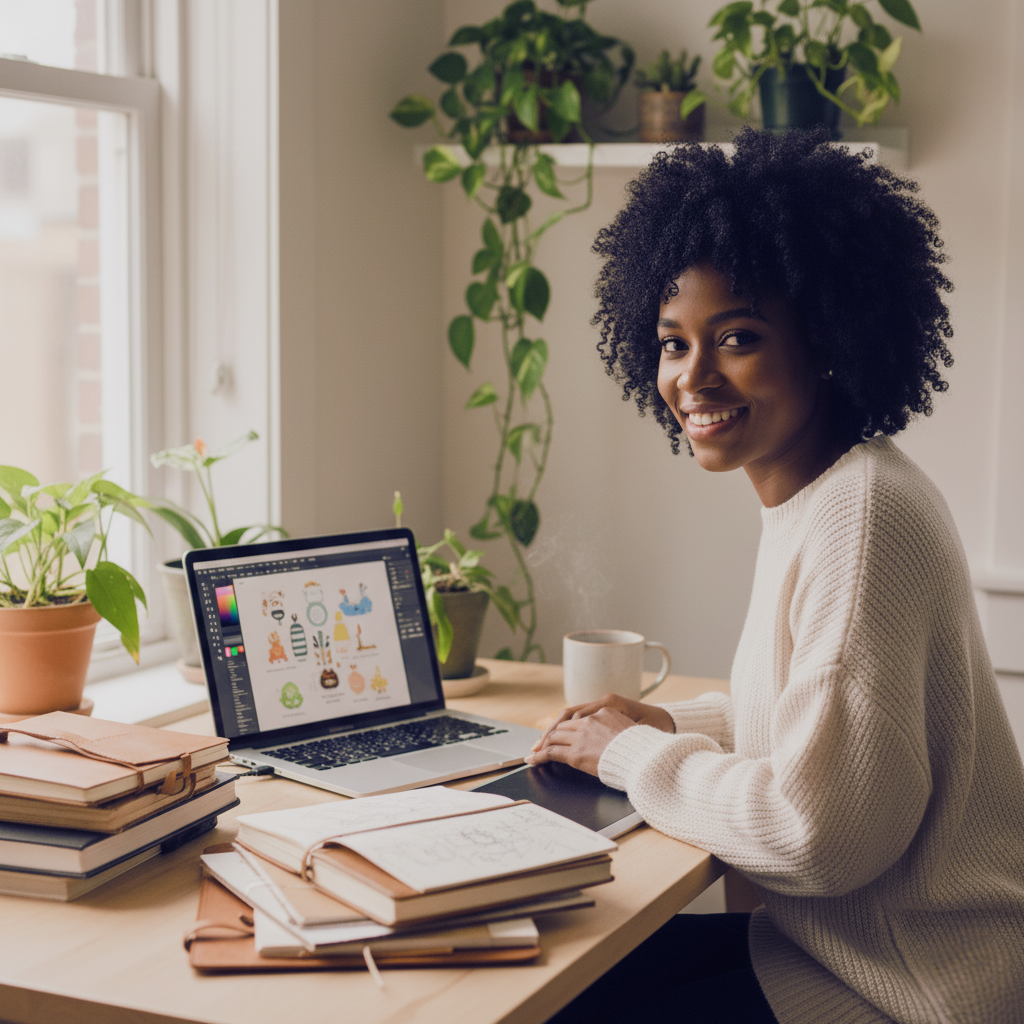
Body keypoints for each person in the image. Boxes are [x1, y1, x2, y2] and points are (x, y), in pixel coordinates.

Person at [527, 128, 1024, 1024]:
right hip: (843, 958)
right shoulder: (830, 491)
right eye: (672, 343)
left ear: (827, 340)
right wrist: (667, 722)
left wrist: (629, 755)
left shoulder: (861, 518)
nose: (693, 378)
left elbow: (818, 834)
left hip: (912, 992)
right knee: (557, 972)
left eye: (737, 337)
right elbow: (820, 724)